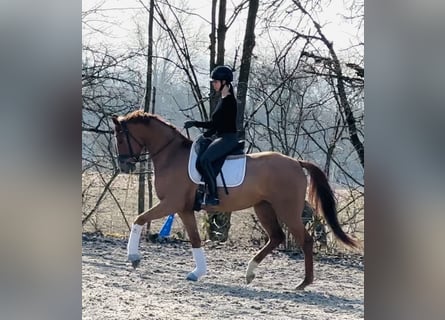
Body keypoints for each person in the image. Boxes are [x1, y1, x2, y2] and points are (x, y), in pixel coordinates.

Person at [184, 65, 239, 206]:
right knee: (200, 158)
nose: (213, 84)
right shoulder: (223, 98)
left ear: (224, 83)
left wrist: (197, 124)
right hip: (221, 137)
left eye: (215, 81)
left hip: (228, 138)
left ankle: (213, 196)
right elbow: (216, 124)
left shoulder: (229, 101)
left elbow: (217, 125)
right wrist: (201, 130)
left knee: (205, 160)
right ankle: (201, 191)